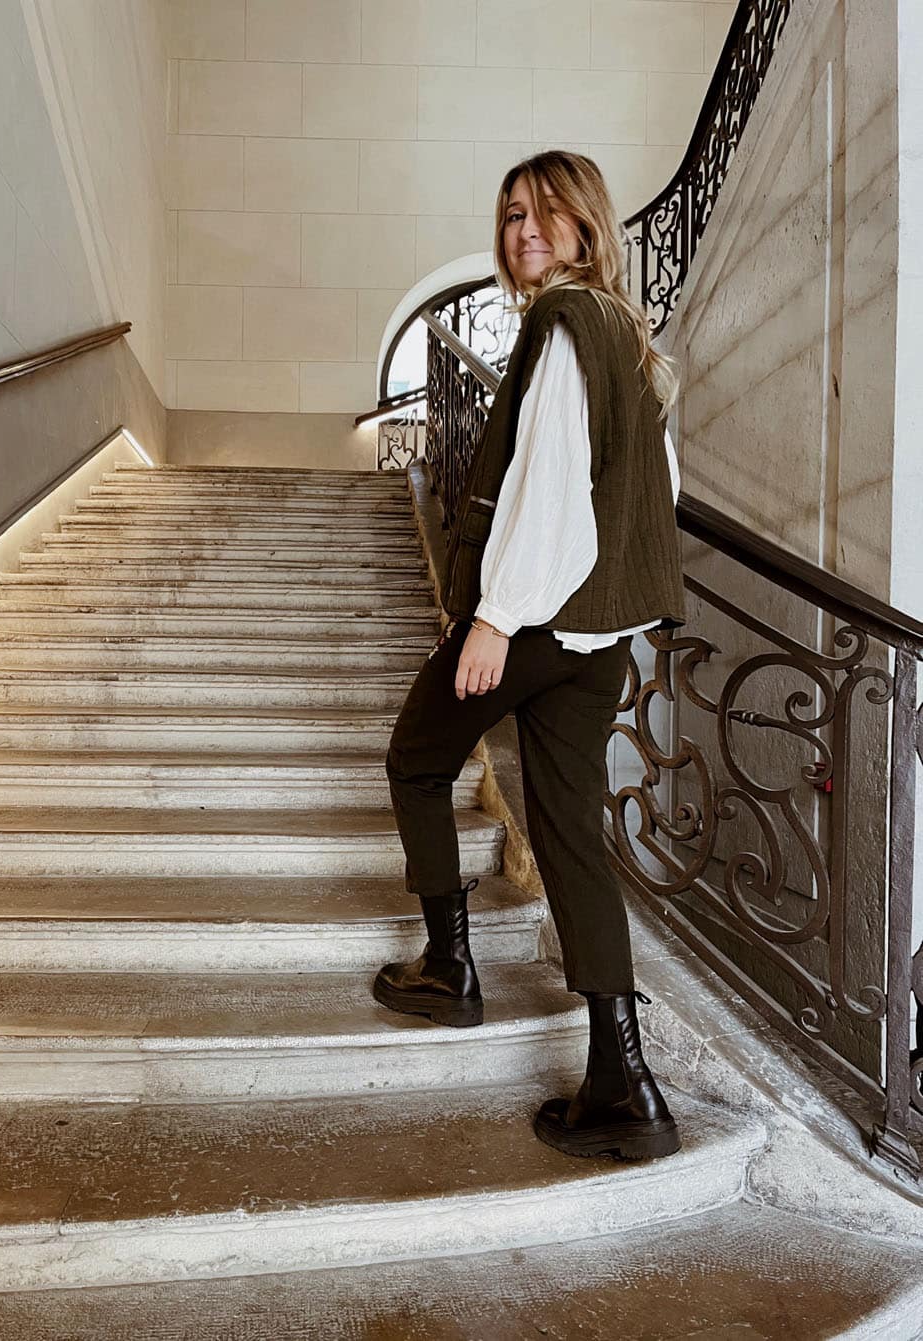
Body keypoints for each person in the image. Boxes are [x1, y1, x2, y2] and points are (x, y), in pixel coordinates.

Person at [372, 151, 686, 1162]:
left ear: (587, 225)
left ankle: (447, 968)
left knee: (417, 759)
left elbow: (547, 486)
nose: (525, 231)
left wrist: (496, 617)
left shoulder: (563, 324)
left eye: (546, 213)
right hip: (597, 637)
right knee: (569, 835)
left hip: (538, 624)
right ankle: (623, 1083)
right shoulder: (629, 337)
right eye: (511, 215)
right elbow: (652, 496)